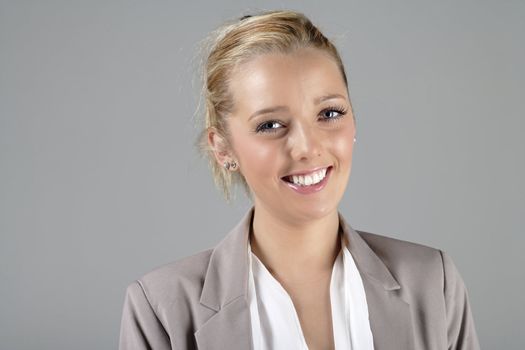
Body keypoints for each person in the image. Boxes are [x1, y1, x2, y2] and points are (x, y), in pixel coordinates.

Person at [118, 10, 480, 350]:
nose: (307, 147)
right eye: (270, 125)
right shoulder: (160, 308)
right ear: (223, 148)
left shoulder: (434, 282)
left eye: (329, 113)